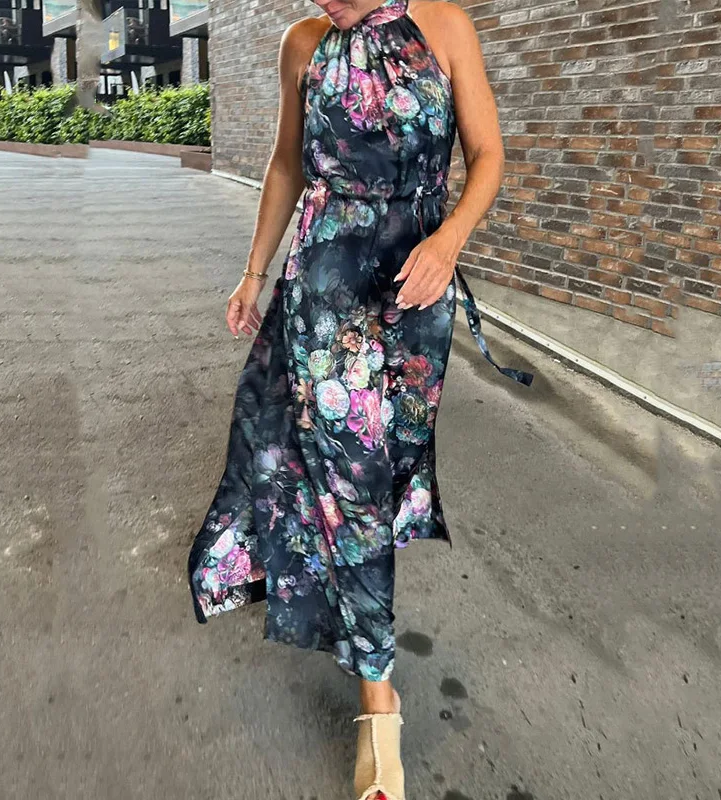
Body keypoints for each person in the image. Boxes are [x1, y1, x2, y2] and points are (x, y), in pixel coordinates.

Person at [187, 1, 534, 798]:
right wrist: (253, 274)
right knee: (353, 482)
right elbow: (286, 164)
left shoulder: (445, 26)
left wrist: (448, 240)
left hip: (413, 292)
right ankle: (379, 696)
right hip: (323, 289)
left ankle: (341, 596)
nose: (322, 2)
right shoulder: (303, 44)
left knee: (380, 474)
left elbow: (487, 155)